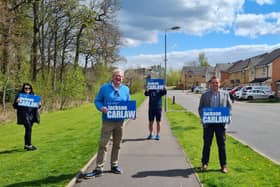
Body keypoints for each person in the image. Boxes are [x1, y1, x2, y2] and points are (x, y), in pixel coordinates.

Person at [91, 69, 130, 177]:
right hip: (108, 121)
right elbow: (97, 100)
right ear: (112, 77)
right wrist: (101, 107)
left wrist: (131, 113)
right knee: (103, 144)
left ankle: (114, 165)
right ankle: (99, 168)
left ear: (123, 78)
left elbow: (128, 103)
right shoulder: (104, 88)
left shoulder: (126, 89)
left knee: (117, 144)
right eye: (117, 76)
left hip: (120, 122)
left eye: (120, 76)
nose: (119, 78)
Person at [198, 76, 232, 173]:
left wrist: (228, 117)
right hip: (208, 124)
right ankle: (204, 163)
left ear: (219, 83)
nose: (215, 84)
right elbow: (200, 108)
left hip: (221, 124)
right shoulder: (205, 95)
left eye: (217, 82)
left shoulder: (225, 94)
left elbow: (229, 108)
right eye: (213, 83)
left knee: (222, 145)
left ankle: (223, 165)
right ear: (210, 84)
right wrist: (203, 117)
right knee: (207, 145)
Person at [13, 83, 40, 151]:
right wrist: (17, 102)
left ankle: (26, 145)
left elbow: (37, 106)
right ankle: (29, 145)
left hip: (32, 115)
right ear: (23, 89)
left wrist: (39, 104)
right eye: (26, 88)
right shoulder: (20, 96)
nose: (27, 89)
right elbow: (15, 106)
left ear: (31, 89)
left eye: (29, 88)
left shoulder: (33, 95)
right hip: (24, 116)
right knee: (29, 129)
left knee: (28, 130)